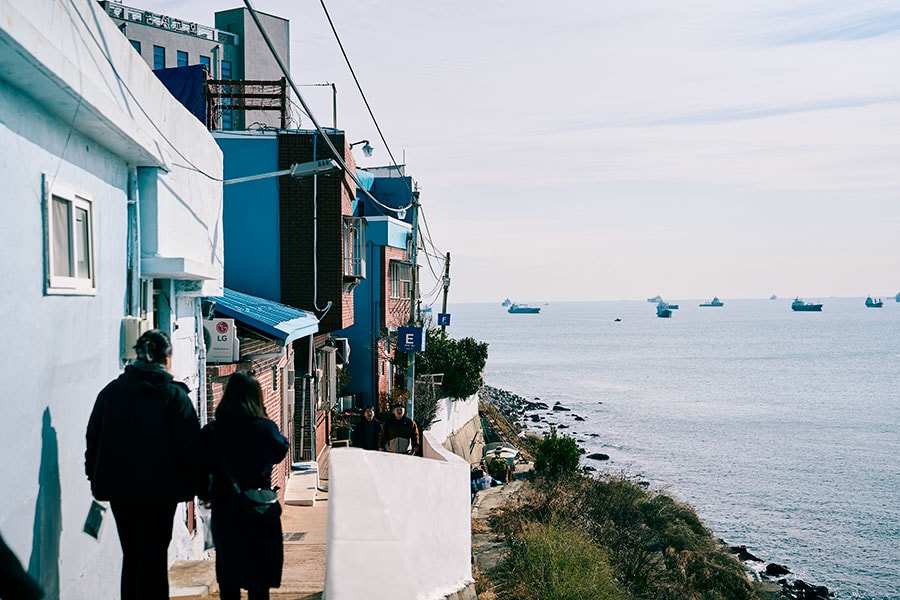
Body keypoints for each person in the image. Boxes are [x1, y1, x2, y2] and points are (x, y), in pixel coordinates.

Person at [85, 329, 205, 600]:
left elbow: (93, 438)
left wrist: (95, 478)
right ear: (167, 358)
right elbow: (191, 449)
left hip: (120, 491)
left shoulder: (111, 393)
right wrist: (201, 485)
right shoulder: (175, 396)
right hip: (160, 493)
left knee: (132, 554)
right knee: (154, 556)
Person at [202, 372, 289, 600]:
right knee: (258, 579)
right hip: (258, 508)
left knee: (228, 576)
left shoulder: (213, 431)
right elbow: (281, 450)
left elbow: (199, 464)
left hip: (225, 508)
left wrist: (205, 494)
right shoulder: (265, 428)